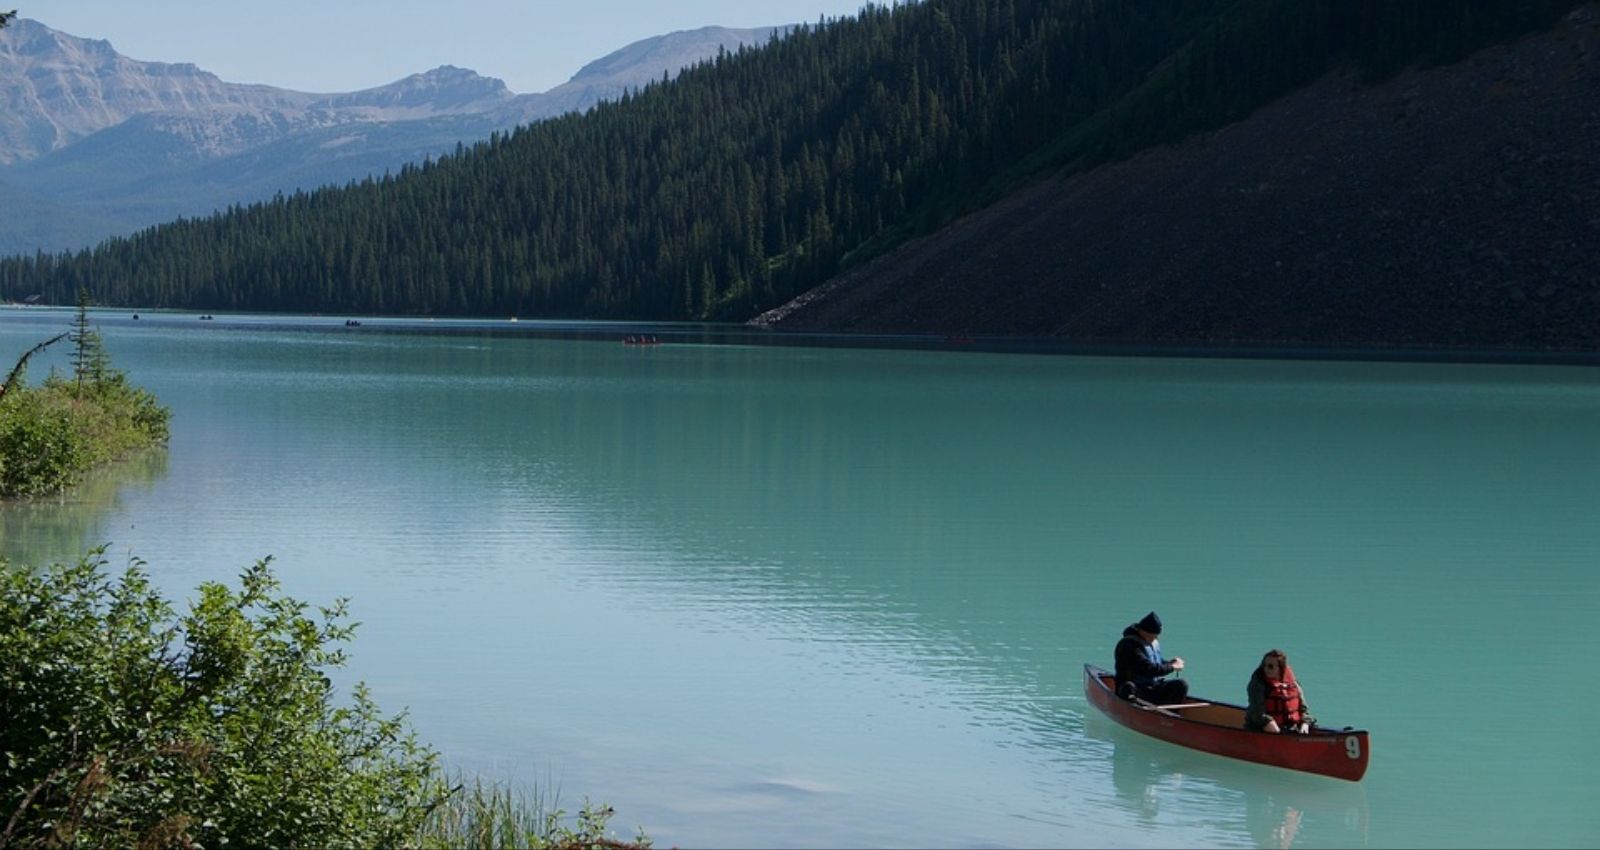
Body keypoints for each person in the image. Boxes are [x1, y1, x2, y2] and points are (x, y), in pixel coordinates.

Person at [1114, 611, 1188, 704]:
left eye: (1156, 636)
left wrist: (1171, 663)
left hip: (1153, 688)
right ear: (1142, 631)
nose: (1155, 639)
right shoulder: (1129, 646)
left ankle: (1168, 714)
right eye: (1152, 637)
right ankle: (1134, 711)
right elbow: (1148, 669)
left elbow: (1157, 663)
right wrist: (1173, 667)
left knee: (1181, 685)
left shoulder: (1150, 641)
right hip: (1136, 690)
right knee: (1128, 687)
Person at [1246, 649, 1315, 734]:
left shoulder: (1294, 684)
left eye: (1270, 666)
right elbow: (1257, 712)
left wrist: (1305, 723)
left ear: (1281, 668)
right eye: (1264, 665)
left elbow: (1304, 709)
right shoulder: (1258, 684)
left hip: (1292, 727)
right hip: (1265, 728)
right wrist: (1268, 723)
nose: (1266, 669)